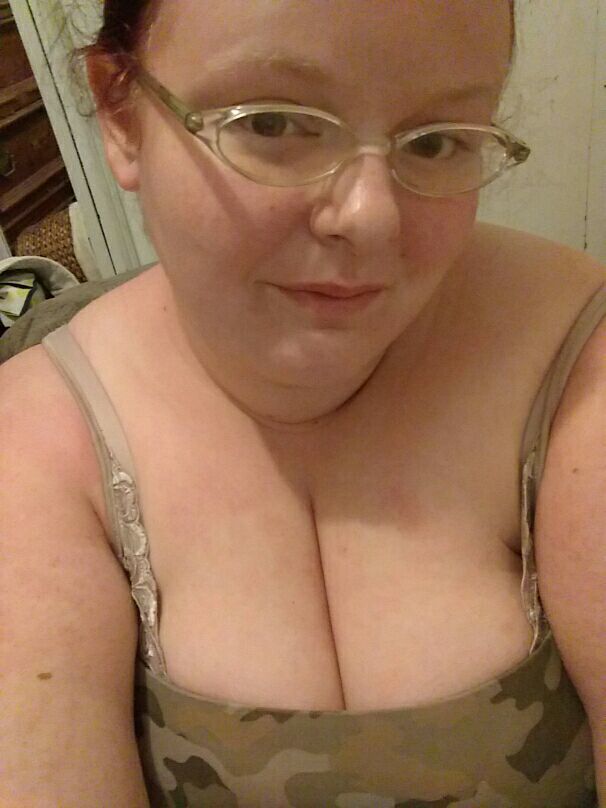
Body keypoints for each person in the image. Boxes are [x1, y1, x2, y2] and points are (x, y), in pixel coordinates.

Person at [1, 1, 604, 805]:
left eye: (435, 141)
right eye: (273, 124)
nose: (370, 218)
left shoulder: (580, 363)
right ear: (121, 115)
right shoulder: (34, 446)